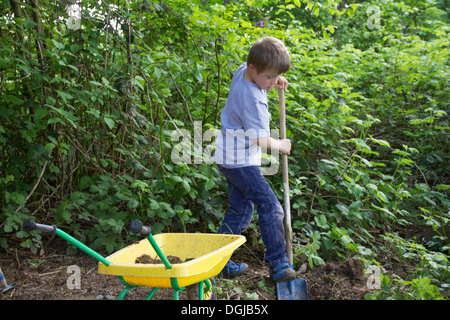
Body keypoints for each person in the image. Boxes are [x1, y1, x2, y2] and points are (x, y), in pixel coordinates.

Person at [213, 37, 296, 283]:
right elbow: (260, 139)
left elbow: (261, 69)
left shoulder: (244, 71)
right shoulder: (253, 100)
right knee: (271, 206)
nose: (272, 82)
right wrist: (280, 144)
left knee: (241, 209)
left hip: (227, 157)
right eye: (270, 77)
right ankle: (279, 264)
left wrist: (273, 77)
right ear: (253, 68)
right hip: (240, 162)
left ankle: (219, 261)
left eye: (276, 76)